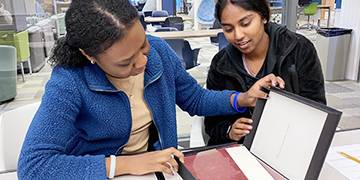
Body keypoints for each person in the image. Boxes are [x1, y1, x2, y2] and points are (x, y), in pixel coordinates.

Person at [17, 0, 284, 179]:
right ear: (90, 56)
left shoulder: (158, 51)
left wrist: (243, 98)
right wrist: (124, 164)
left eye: (142, 46)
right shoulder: (69, 81)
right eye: (126, 62)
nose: (143, 62)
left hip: (160, 169)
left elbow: (195, 98)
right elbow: (34, 166)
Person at [204, 0, 326, 146]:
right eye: (228, 29)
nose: (238, 36)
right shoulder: (221, 64)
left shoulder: (298, 50)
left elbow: (317, 114)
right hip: (239, 153)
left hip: (289, 147)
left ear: (264, 16)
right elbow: (211, 124)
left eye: (245, 23)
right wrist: (229, 130)